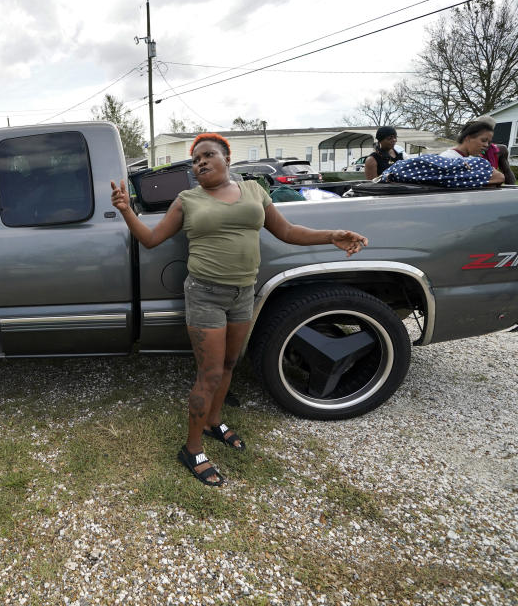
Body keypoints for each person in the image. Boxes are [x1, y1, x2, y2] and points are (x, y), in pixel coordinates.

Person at [110, 133, 368, 487]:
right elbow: (151, 239)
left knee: (231, 364)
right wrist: (125, 209)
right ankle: (193, 448)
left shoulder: (254, 191)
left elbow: (288, 231)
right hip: (205, 295)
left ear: (227, 159)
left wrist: (331, 236)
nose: (200, 162)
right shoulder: (187, 200)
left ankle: (215, 420)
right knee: (210, 373)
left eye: (208, 155)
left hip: (243, 293)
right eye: (195, 160)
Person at [439, 120, 506, 185]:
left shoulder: (473, 159)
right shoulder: (447, 158)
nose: (486, 145)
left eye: (489, 142)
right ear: (468, 138)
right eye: (483, 140)